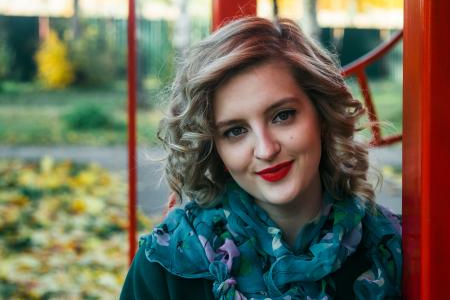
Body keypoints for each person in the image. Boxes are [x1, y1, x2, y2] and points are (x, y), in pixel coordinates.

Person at [120, 16, 402, 300]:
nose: (266, 150)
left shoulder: (396, 249)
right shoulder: (165, 267)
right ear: (213, 147)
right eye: (235, 131)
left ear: (322, 114)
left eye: (283, 116)